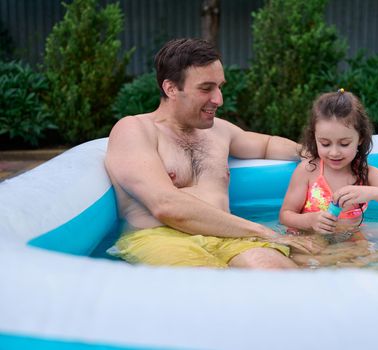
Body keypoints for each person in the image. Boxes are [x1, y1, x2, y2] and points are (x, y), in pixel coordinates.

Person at [105, 38, 325, 269]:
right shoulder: (135, 129)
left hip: (227, 235)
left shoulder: (219, 130)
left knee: (275, 270)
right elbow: (166, 205)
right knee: (207, 284)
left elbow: (266, 145)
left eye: (220, 87)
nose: (218, 99)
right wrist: (264, 232)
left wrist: (314, 154)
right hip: (159, 237)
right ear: (170, 88)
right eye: (206, 88)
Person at [279, 89, 378, 267]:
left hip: (351, 235)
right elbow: (285, 215)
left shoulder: (366, 175)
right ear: (315, 138)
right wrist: (309, 220)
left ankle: (364, 257)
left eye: (344, 143)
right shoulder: (308, 171)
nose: (334, 152)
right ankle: (352, 258)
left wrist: (370, 192)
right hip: (311, 237)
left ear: (360, 139)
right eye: (325, 144)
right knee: (297, 258)